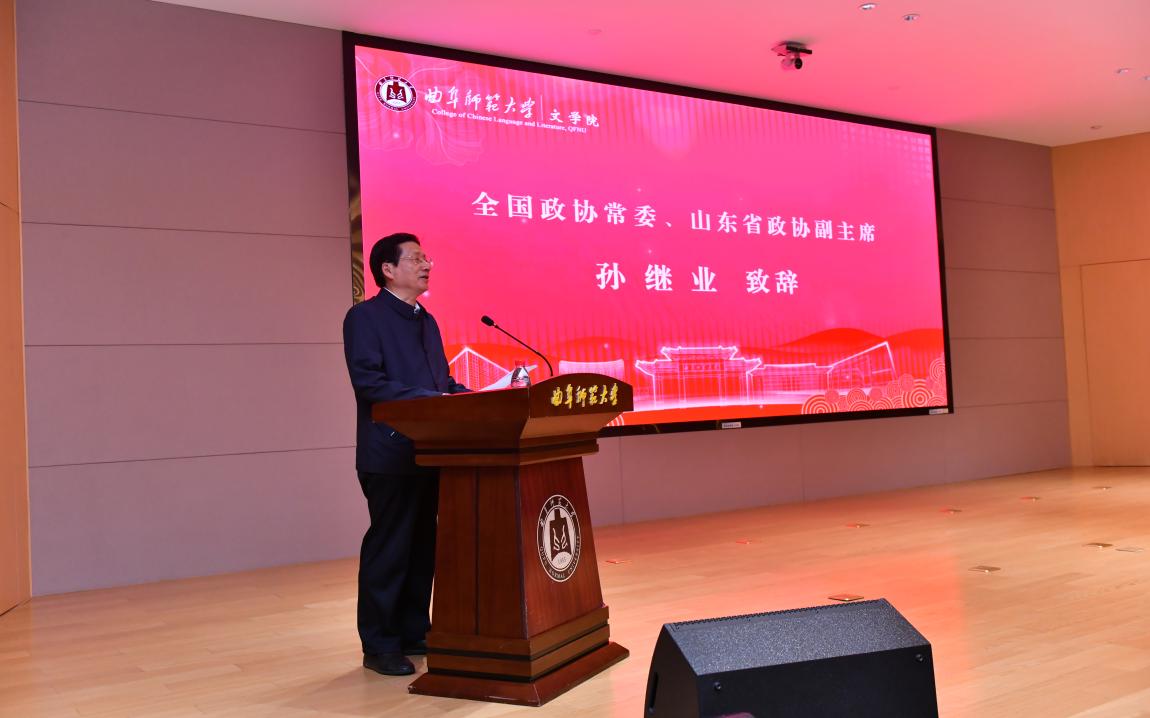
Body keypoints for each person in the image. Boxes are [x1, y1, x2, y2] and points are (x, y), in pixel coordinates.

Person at [342, 232, 468, 676]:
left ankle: (415, 632)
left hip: (430, 451)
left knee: (421, 548)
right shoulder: (365, 318)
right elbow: (370, 383)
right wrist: (435, 400)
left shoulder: (426, 321)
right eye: (415, 258)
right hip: (389, 453)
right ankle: (379, 644)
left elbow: (441, 382)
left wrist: (473, 398)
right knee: (390, 548)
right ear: (388, 270)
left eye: (426, 257)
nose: (426, 264)